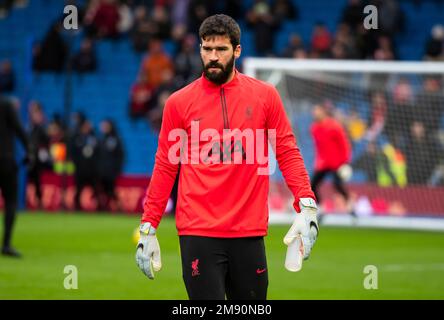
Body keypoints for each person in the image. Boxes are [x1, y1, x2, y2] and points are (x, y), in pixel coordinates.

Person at [135, 14, 319, 300]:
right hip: (198, 230)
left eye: (221, 49)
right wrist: (149, 225)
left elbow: (286, 150)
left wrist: (305, 203)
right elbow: (166, 165)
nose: (213, 56)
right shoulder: (178, 103)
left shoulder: (265, 96)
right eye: (207, 49)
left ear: (237, 51)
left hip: (248, 230)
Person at [0, 95, 31, 257]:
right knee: (11, 201)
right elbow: (19, 129)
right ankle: (6, 244)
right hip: (5, 160)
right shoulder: (6, 104)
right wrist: (29, 151)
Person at [310, 103, 352, 216]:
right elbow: (318, 147)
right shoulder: (314, 128)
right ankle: (321, 208)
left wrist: (345, 161)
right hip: (322, 163)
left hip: (336, 163)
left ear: (323, 112)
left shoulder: (334, 126)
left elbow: (344, 144)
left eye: (317, 111)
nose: (314, 113)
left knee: (337, 185)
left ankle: (349, 205)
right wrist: (317, 161)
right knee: (312, 185)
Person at [97, 119, 124, 211]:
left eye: (105, 125)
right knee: (102, 190)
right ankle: (104, 206)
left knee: (110, 190)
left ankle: (118, 206)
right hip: (102, 171)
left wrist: (117, 170)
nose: (103, 127)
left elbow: (120, 156)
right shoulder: (101, 139)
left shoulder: (116, 139)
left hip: (111, 171)